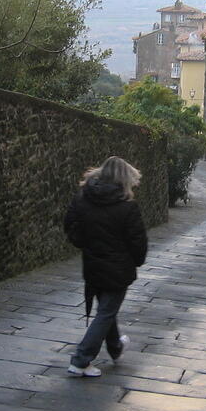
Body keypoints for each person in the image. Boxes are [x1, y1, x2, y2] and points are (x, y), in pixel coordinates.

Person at [63, 156, 148, 377]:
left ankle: (116, 348)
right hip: (117, 268)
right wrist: (137, 260)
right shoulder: (127, 206)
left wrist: (84, 243)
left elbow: (70, 224)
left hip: (92, 264)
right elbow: (137, 240)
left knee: (106, 310)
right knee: (106, 312)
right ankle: (81, 359)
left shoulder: (83, 197)